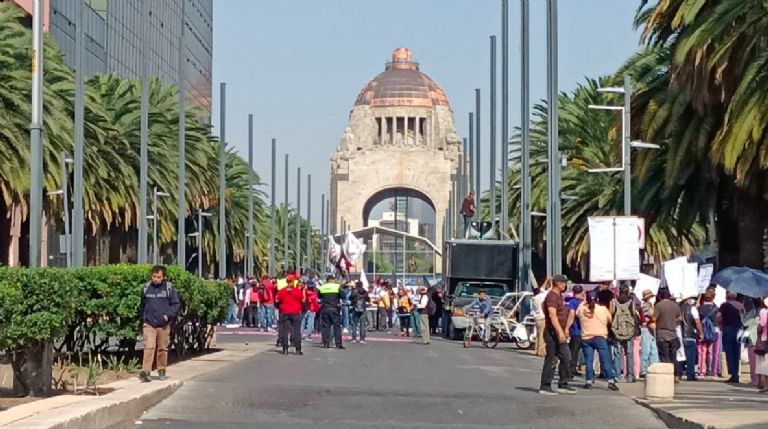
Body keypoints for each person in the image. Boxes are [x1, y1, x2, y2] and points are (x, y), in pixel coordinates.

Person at [138, 265, 181, 382]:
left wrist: (168, 315)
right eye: (154, 276)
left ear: (164, 277)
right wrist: (143, 318)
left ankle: (161, 369)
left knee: (162, 348)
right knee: (149, 346)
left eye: (158, 277)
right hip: (149, 323)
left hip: (163, 324)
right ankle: (145, 371)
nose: (156, 279)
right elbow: (142, 304)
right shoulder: (147, 288)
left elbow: (176, 304)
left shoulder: (169, 288)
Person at [539, 275, 575, 395]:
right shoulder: (552, 296)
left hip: (560, 331)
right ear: (557, 283)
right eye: (563, 283)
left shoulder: (559, 296)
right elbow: (552, 315)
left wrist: (565, 330)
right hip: (552, 332)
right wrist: (560, 331)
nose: (565, 285)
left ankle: (563, 383)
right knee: (551, 359)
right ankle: (545, 385)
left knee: (566, 357)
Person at [577, 294, 619, 391]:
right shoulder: (603, 309)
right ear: (597, 299)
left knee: (588, 360)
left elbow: (576, 313)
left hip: (586, 338)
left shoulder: (582, 309)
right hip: (600, 337)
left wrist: (584, 301)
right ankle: (611, 381)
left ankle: (588, 381)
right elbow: (610, 320)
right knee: (605, 360)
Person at [612, 284, 639, 383]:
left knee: (617, 353)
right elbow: (634, 315)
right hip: (629, 330)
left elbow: (612, 314)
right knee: (629, 353)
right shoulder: (631, 302)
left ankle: (617, 376)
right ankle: (630, 376)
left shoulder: (614, 302)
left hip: (617, 330)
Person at [717, 291, 745, 383]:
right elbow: (744, 317)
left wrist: (720, 326)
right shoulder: (740, 305)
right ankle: (736, 374)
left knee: (729, 352)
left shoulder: (724, 305)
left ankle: (733, 375)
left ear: (727, 296)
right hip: (739, 330)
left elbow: (718, 317)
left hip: (728, 330)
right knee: (737, 352)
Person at [275, 277, 304, 355]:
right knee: (297, 331)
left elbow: (278, 299)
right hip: (295, 311)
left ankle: (285, 349)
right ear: (293, 282)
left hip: (285, 311)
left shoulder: (282, 291)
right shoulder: (297, 291)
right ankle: (298, 349)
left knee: (285, 331)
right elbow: (302, 299)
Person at [654, 288, 681, 372]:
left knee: (664, 356)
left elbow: (654, 318)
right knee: (673, 356)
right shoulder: (675, 305)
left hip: (662, 334)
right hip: (673, 333)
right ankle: (676, 375)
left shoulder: (658, 306)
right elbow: (680, 318)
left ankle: (667, 374)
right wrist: (673, 320)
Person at [679, 293, 703, 381]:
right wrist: (700, 333)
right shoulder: (693, 309)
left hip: (680, 334)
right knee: (690, 356)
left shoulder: (679, 308)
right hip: (690, 334)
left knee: (680, 355)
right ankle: (690, 374)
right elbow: (697, 322)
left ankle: (679, 373)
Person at [697, 287, 720, 377]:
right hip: (715, 330)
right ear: (713, 297)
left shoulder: (699, 308)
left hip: (702, 330)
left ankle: (701, 369)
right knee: (714, 351)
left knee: (701, 350)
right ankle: (713, 370)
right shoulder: (716, 308)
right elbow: (719, 319)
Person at [318, 275, 345, 349]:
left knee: (326, 327)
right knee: (337, 327)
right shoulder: (337, 287)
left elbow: (319, 296)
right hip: (334, 309)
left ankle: (326, 343)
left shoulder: (322, 287)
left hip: (325, 309)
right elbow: (343, 296)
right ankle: (338, 344)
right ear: (333, 280)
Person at [639, 289, 660, 378]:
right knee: (646, 349)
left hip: (652, 328)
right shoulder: (644, 306)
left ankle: (653, 367)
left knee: (654, 350)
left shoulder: (650, 305)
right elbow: (651, 316)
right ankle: (643, 369)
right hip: (646, 328)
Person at [566, 285, 585, 377]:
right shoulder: (584, 303)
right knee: (582, 352)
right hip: (585, 331)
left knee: (573, 352)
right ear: (582, 291)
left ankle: (571, 370)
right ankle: (577, 368)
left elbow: (571, 315)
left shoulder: (572, 302)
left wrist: (567, 327)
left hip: (575, 330)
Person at [532, 279, 551, 358]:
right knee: (542, 335)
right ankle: (541, 351)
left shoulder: (535, 298)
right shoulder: (542, 297)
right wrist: (550, 283)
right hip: (542, 317)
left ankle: (536, 349)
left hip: (536, 318)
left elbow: (542, 290)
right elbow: (549, 291)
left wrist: (545, 282)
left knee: (538, 334)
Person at [755, 297, 768, 393]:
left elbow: (761, 325)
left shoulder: (764, 312)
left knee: (765, 364)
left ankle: (766, 385)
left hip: (765, 338)